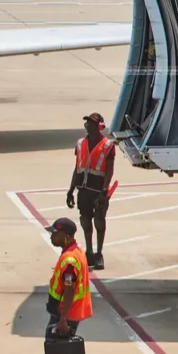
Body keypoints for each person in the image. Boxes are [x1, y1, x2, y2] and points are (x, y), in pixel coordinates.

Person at [40, 217, 98, 354]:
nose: (51, 236)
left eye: (54, 233)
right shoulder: (74, 251)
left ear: (65, 236)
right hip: (68, 313)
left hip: (65, 315)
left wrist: (63, 319)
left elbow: (70, 288)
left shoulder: (70, 260)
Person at [66, 112, 115, 270]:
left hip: (98, 190)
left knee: (99, 221)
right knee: (85, 220)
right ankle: (89, 253)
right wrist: (71, 189)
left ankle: (99, 253)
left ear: (99, 126)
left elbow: (109, 171)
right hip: (84, 190)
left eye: (91, 123)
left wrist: (104, 192)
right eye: (86, 123)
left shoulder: (108, 146)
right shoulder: (80, 143)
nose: (88, 125)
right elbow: (77, 167)